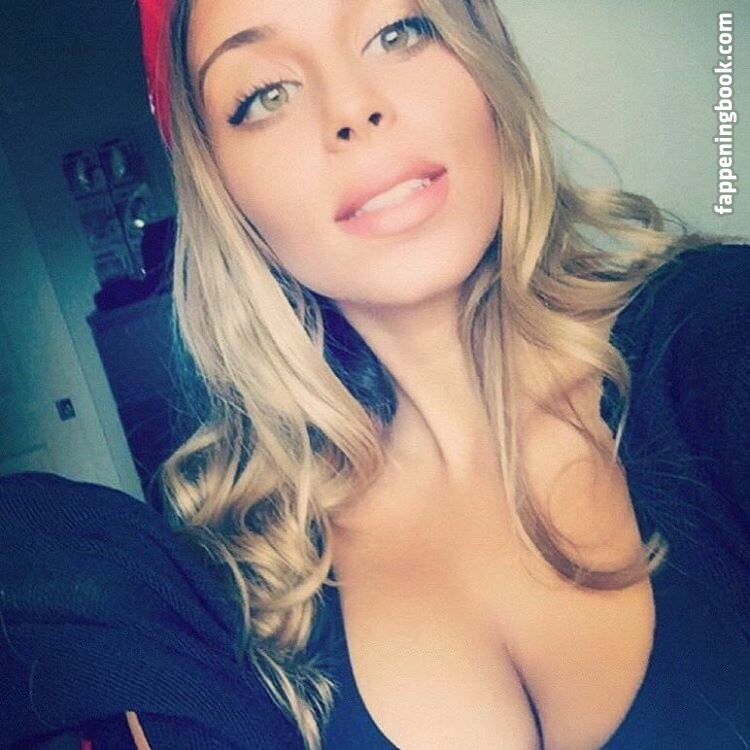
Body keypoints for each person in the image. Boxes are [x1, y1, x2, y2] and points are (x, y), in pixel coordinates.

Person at [1, 1, 748, 748]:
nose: (352, 109)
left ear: (482, 58)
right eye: (265, 94)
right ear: (224, 191)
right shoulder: (255, 586)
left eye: (397, 31)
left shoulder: (717, 337)